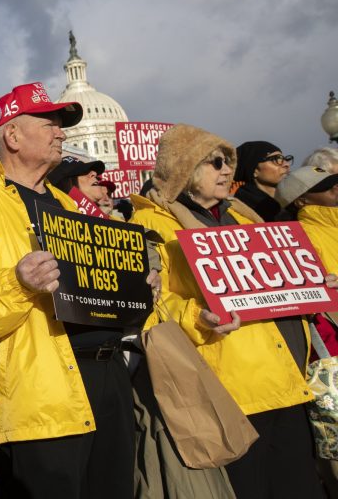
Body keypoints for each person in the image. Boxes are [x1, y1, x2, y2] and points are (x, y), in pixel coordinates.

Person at [0, 81, 152, 498]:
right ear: (13, 136)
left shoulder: (69, 204)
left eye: (61, 124)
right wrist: (19, 284)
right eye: (50, 122)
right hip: (44, 391)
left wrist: (141, 290)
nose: (61, 132)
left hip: (109, 375)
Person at [130, 124, 325, 499]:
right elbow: (148, 308)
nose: (226, 171)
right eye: (215, 162)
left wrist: (313, 284)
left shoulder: (242, 215)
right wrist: (197, 316)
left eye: (228, 163)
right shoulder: (150, 224)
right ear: (185, 170)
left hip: (285, 382)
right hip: (227, 393)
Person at [276, 166, 338, 498]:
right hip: (329, 349)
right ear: (302, 199)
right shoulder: (299, 236)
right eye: (328, 188)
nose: (337, 191)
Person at [233, 140, 293, 221]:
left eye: (285, 159)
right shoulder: (238, 209)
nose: (286, 164)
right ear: (254, 170)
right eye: (277, 159)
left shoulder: (295, 205)